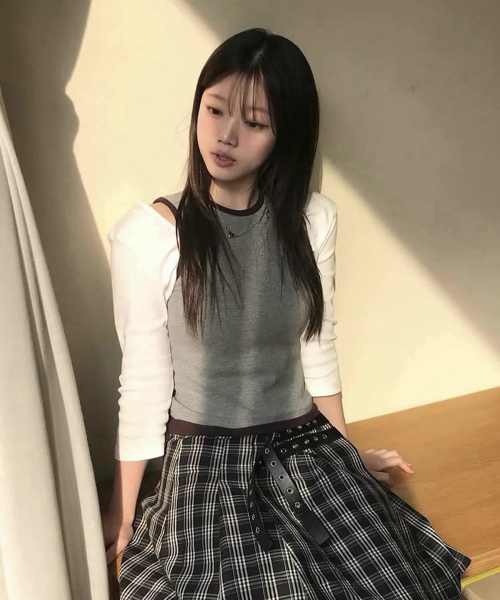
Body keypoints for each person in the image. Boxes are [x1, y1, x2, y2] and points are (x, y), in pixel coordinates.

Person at [101, 27, 471, 600]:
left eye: (255, 122)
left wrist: (348, 460)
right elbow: (144, 382)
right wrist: (122, 515)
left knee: (390, 583)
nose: (226, 135)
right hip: (206, 462)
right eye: (214, 109)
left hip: (305, 445)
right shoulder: (150, 235)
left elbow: (317, 348)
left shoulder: (313, 220)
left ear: (286, 133)